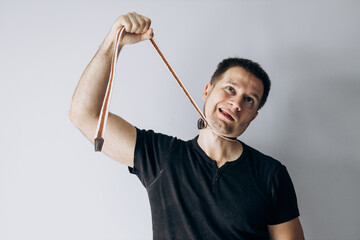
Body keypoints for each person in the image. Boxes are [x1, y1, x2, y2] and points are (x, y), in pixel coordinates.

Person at [69, 12, 305, 240]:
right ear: (207, 90)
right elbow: (84, 114)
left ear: (253, 116)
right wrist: (114, 42)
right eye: (230, 89)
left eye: (249, 99)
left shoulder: (271, 174)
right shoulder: (161, 156)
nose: (236, 103)